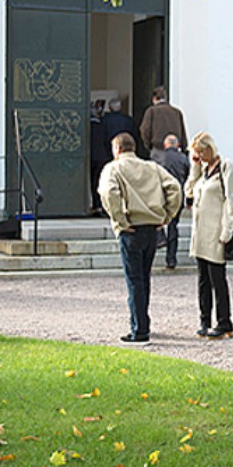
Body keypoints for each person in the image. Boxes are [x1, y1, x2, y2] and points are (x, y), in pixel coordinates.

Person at [98, 132, 182, 343]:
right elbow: (175, 188)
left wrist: (120, 221)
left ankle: (140, 329)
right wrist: (166, 215)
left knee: (134, 280)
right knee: (144, 278)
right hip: (152, 228)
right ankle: (143, 322)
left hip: (131, 228)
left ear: (117, 149)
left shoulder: (113, 168)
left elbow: (109, 193)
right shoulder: (151, 167)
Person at [185, 131, 233, 339]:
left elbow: (231, 201)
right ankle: (204, 320)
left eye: (199, 152)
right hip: (200, 232)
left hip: (216, 231)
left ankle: (224, 322)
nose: (198, 156)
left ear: (209, 149)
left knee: (218, 278)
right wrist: (195, 167)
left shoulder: (226, 168)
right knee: (203, 279)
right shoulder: (203, 170)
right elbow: (188, 191)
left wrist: (227, 229)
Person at [154, 134, 190, 269]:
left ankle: (160, 238)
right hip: (178, 194)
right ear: (177, 145)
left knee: (157, 221)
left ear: (165, 145)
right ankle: (171, 259)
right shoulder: (183, 158)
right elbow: (188, 176)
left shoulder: (158, 157)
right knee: (173, 226)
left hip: (161, 194)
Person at [139, 86, 188, 165]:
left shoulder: (151, 111)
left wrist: (149, 146)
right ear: (165, 97)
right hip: (175, 151)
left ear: (154, 98)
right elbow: (183, 133)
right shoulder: (177, 112)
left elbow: (145, 130)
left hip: (158, 150)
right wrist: (184, 150)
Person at [89, 101, 110, 215]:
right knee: (100, 182)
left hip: (90, 158)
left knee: (92, 182)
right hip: (102, 158)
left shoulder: (86, 128)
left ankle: (96, 205)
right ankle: (101, 205)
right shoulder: (103, 127)